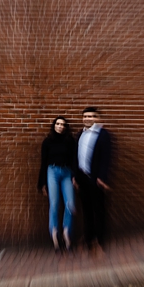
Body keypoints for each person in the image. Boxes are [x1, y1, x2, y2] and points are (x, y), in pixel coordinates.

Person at [74, 106, 114, 253]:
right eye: (85, 116)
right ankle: (89, 238)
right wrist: (75, 177)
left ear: (97, 118)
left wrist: (103, 177)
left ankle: (100, 240)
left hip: (96, 179)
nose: (88, 119)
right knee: (86, 211)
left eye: (91, 116)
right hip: (82, 179)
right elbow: (76, 157)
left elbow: (107, 158)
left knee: (99, 211)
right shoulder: (80, 134)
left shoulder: (104, 135)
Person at [37, 116, 78, 252]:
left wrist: (74, 177)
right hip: (52, 172)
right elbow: (43, 163)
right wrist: (42, 183)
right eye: (58, 124)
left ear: (66, 127)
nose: (60, 126)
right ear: (54, 125)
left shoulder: (70, 141)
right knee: (54, 204)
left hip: (67, 172)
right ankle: (55, 236)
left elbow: (74, 160)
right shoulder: (47, 142)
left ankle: (66, 233)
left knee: (70, 204)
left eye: (63, 125)